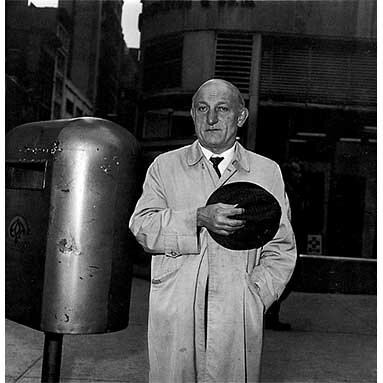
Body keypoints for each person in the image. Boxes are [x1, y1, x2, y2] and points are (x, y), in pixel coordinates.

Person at [129, 79, 297, 383]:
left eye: (222, 109)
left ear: (241, 117)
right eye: (202, 109)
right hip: (176, 311)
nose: (211, 118)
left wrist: (256, 295)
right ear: (193, 115)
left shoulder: (266, 172)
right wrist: (197, 218)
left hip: (237, 312)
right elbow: (142, 226)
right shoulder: (164, 167)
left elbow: (281, 247)